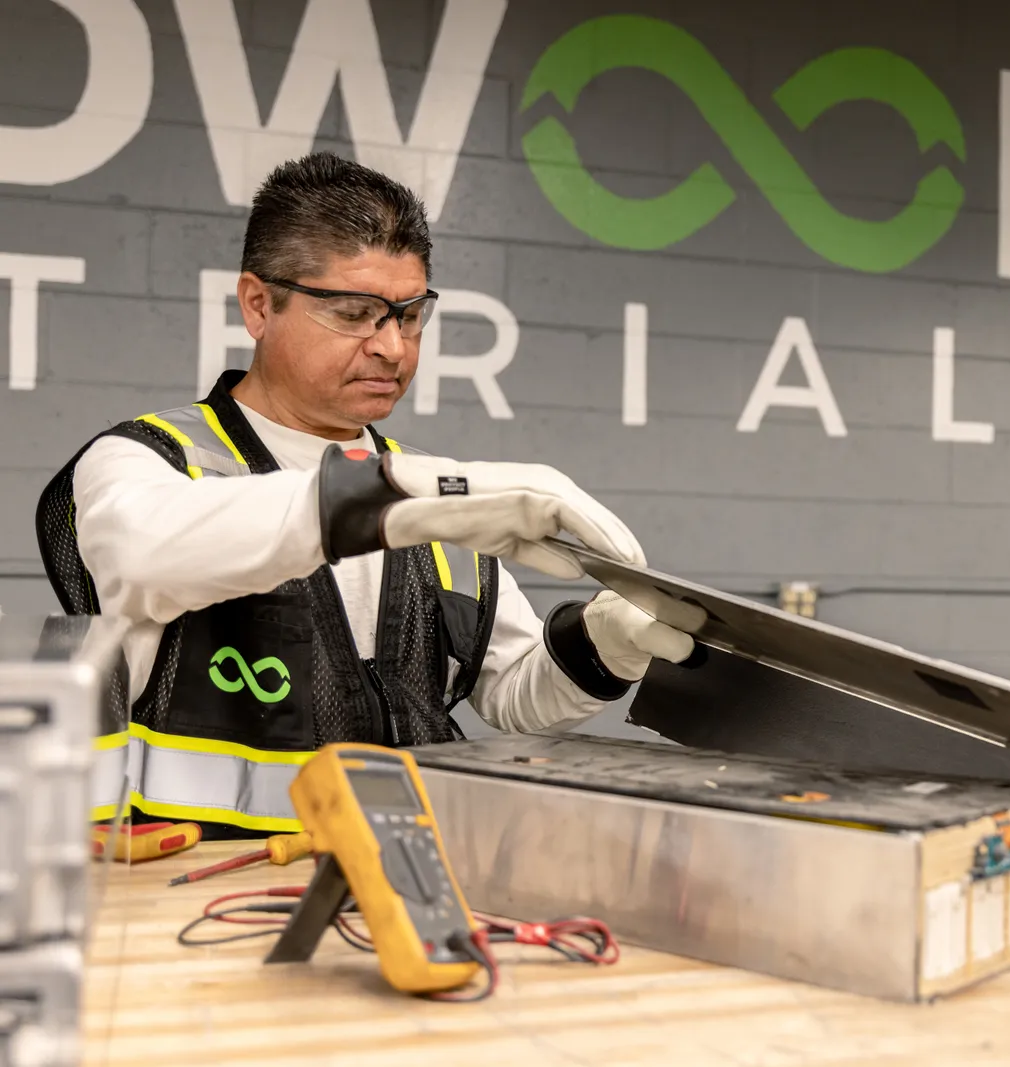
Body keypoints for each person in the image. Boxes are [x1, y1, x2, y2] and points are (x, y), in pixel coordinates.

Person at [36, 152, 695, 837]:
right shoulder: (148, 460)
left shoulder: (430, 494)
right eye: (355, 313)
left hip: (405, 881)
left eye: (410, 316)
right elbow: (146, 554)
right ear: (259, 304)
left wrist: (605, 645)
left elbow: (511, 695)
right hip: (196, 896)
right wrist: (400, 498)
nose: (392, 348)